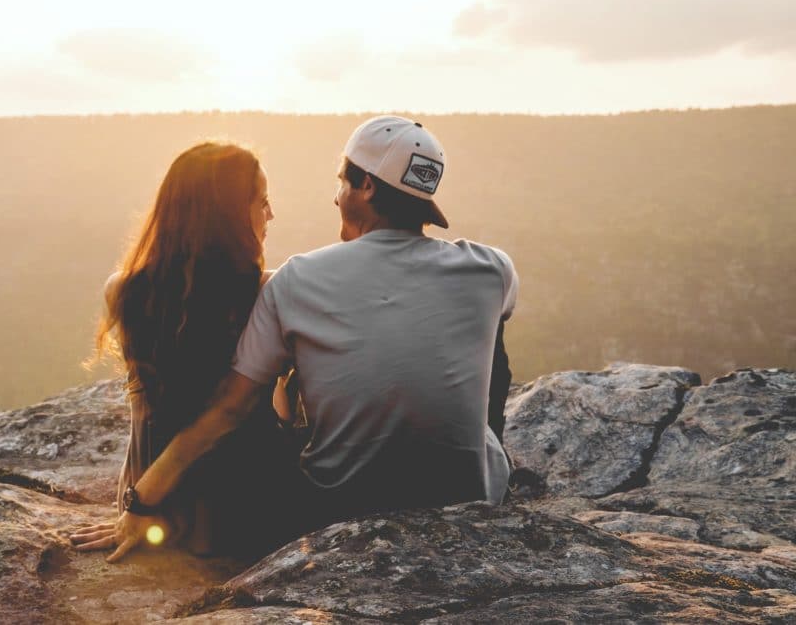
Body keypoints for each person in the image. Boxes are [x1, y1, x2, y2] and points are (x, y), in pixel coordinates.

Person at [74, 116, 518, 563]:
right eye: (262, 202)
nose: (334, 195)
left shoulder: (296, 281)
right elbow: (490, 342)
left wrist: (142, 499)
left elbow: (229, 408)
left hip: (335, 508)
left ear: (365, 186)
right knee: (487, 349)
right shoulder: (493, 269)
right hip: (468, 502)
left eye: (342, 182)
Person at [70, 141, 292, 559]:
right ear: (227, 216)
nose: (271, 215)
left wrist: (135, 505)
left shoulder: (123, 290)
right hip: (246, 506)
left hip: (157, 505)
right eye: (262, 202)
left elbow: (144, 417)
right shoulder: (269, 291)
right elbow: (232, 413)